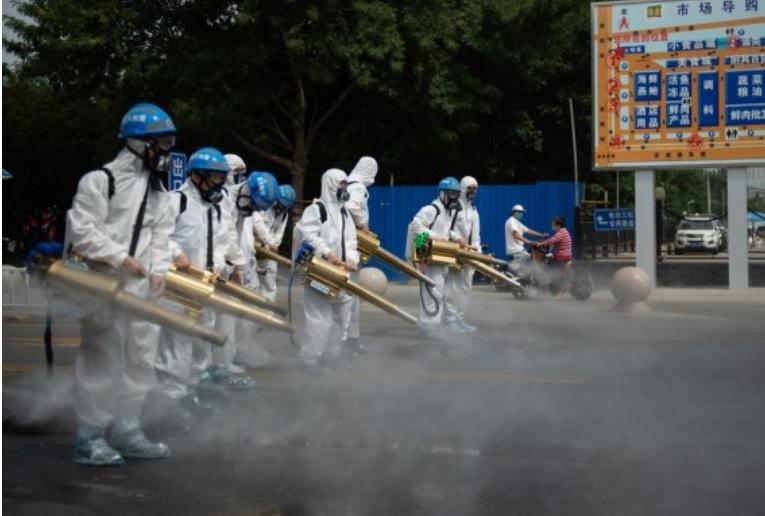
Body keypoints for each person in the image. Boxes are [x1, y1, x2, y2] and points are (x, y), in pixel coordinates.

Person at [66, 102, 177, 466]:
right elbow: (82, 231)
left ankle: (128, 428)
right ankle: (90, 436)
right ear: (137, 142)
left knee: (141, 360)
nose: (166, 150)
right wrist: (119, 257)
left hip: (142, 291)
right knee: (101, 361)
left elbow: (161, 237)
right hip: (104, 285)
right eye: (161, 141)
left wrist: (159, 269)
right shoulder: (100, 181)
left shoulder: (159, 191)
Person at [155, 147, 234, 418]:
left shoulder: (215, 209)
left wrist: (219, 266)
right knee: (177, 344)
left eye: (221, 179)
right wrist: (177, 255)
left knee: (201, 342)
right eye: (214, 178)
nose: (219, 184)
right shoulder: (177, 201)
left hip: (205, 285)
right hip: (179, 285)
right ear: (198, 177)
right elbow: (158, 235)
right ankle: (170, 402)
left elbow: (222, 242)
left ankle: (191, 392)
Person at [293, 168, 359, 372]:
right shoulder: (316, 209)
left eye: (345, 185)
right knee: (320, 318)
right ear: (330, 185)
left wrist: (351, 259)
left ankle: (331, 355)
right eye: (341, 185)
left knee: (343, 314)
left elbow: (351, 241)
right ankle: (310, 359)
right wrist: (327, 252)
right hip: (320, 272)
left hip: (340, 274)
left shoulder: (344, 212)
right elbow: (308, 235)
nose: (344, 189)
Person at [408, 177, 466, 337]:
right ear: (442, 193)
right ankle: (429, 326)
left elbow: (444, 231)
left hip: (439, 255)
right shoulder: (432, 208)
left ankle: (432, 324)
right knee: (432, 291)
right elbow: (415, 226)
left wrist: (457, 238)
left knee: (439, 291)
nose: (454, 198)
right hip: (427, 255)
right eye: (451, 194)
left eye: (457, 194)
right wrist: (434, 237)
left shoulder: (447, 211)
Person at [344, 156, 378, 353]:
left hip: (345, 243)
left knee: (346, 297)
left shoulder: (347, 184)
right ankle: (350, 339)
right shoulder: (357, 187)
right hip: (350, 246)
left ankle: (348, 338)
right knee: (351, 297)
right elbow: (352, 207)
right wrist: (363, 226)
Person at [443, 176, 480, 332]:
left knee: (466, 288)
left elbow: (476, 233)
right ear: (463, 188)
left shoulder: (473, 209)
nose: (473, 192)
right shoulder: (454, 207)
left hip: (471, 254)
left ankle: (460, 317)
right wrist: (458, 240)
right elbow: (446, 228)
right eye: (470, 188)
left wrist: (477, 250)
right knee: (452, 287)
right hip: (456, 253)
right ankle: (450, 319)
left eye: (475, 189)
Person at [256, 183, 296, 303]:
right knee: (250, 284)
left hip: (268, 253)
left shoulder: (284, 214)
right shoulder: (263, 205)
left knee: (270, 286)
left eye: (284, 207)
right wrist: (268, 242)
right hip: (254, 246)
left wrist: (273, 245)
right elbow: (257, 223)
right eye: (280, 204)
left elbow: (279, 232)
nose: (280, 208)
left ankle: (267, 314)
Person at [533, 215, 573, 296]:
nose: (552, 226)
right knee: (550, 258)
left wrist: (540, 244)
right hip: (567, 255)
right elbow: (554, 242)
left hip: (561, 256)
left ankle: (555, 290)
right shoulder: (565, 231)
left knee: (548, 267)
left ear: (558, 225)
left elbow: (552, 241)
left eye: (553, 225)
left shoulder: (561, 232)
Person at [504, 204, 547, 270]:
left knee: (529, 261)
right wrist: (529, 242)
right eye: (520, 212)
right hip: (515, 250)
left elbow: (528, 230)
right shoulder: (511, 221)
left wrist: (541, 235)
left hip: (519, 249)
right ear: (515, 212)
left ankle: (522, 276)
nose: (521, 214)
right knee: (529, 262)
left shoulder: (517, 222)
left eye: (522, 212)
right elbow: (516, 235)